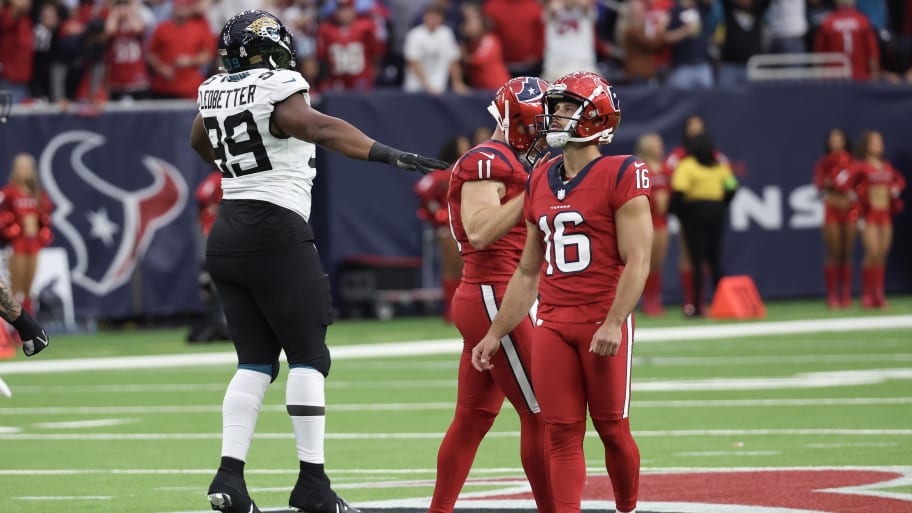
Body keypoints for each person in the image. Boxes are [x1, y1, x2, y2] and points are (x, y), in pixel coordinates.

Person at [188, 10, 448, 513]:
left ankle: (229, 478)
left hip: (228, 230)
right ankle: (312, 483)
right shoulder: (279, 84)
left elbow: (201, 141)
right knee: (308, 355)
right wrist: (387, 154)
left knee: (254, 362)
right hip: (276, 229)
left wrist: (239, 160)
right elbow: (319, 128)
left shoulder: (214, 89)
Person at [472, 71, 650, 513]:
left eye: (568, 107)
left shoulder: (622, 171)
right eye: (556, 106)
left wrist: (613, 321)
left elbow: (639, 259)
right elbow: (528, 271)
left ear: (596, 117)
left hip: (599, 320)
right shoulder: (540, 179)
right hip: (553, 322)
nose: (555, 114)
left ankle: (627, 508)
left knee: (611, 429)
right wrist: (496, 332)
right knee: (561, 432)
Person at [433, 76, 554, 513]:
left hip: (499, 292)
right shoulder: (487, 160)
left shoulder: (512, 161)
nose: (547, 133)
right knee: (542, 413)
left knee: (473, 418)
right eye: (540, 123)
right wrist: (534, 193)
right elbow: (481, 230)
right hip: (492, 293)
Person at [669, 133, 739, 317]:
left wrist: (681, 214)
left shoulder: (687, 165)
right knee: (715, 260)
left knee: (697, 260)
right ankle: (722, 302)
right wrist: (722, 204)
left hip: (696, 212)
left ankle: (697, 305)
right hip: (717, 212)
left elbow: (678, 191)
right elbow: (732, 186)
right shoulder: (719, 166)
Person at [413, 135, 469, 323]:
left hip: (464, 226)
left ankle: (456, 311)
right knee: (454, 268)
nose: (466, 146)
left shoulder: (465, 167)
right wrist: (439, 215)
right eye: (462, 143)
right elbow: (423, 188)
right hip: (448, 228)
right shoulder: (445, 172)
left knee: (459, 269)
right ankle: (451, 311)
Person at [851, 130, 906, 308]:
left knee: (882, 254)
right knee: (872, 253)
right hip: (869, 215)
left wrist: (895, 188)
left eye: (880, 141)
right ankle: (867, 294)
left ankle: (879, 294)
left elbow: (900, 181)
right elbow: (850, 186)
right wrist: (857, 212)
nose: (878, 145)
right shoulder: (861, 166)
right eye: (874, 142)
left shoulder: (886, 166)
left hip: (885, 214)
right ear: (866, 145)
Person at [0, 153, 54, 316]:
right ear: (15, 170)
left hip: (33, 243)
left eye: (26, 167)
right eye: (20, 167)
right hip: (16, 244)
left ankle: (29, 321)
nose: (23, 171)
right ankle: (15, 326)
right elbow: (2, 216)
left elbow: (45, 216)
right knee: (15, 286)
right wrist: (13, 227)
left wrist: (41, 231)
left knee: (29, 287)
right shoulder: (8, 192)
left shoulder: (37, 193)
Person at [812, 128, 856, 308]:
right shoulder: (824, 163)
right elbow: (819, 185)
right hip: (832, 206)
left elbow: (859, 183)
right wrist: (829, 183)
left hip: (849, 207)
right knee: (833, 250)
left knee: (847, 251)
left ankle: (845, 294)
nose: (836, 141)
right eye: (833, 138)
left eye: (839, 138)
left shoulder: (853, 162)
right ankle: (832, 294)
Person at [636, 132, 669, 315]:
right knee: (644, 261)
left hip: (662, 221)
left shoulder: (664, 168)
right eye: (654, 144)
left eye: (659, 143)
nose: (659, 147)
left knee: (657, 262)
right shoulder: (642, 168)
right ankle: (645, 300)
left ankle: (655, 298)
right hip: (647, 220)